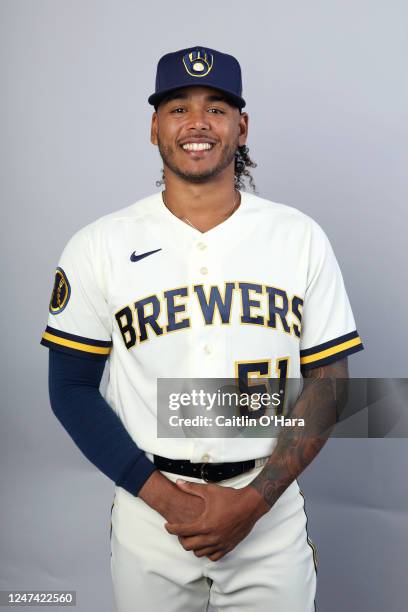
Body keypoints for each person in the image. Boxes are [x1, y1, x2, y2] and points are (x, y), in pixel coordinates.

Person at [41, 46, 364, 611]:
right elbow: (69, 388)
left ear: (242, 128)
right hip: (150, 509)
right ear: (154, 127)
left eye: (216, 108)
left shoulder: (298, 237)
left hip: (268, 505)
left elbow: (330, 383)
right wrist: (168, 501)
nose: (197, 123)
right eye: (177, 108)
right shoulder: (99, 245)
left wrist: (256, 503)